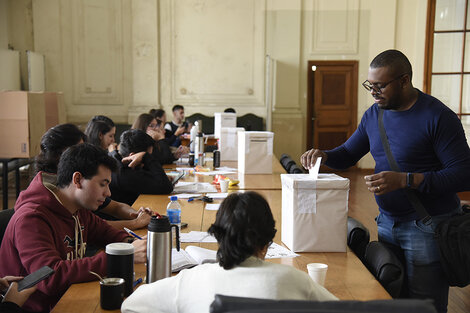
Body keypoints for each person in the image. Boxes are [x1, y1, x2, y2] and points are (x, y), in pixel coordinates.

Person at [300, 49, 470, 313]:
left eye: (380, 85)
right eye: (370, 85)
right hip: (388, 223)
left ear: (404, 80)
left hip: (428, 226)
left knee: (425, 305)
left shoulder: (438, 117)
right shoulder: (373, 115)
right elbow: (347, 154)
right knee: (392, 299)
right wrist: (324, 155)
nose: (373, 92)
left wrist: (406, 180)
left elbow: (462, 174)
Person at [121, 191, 337, 313]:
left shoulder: (188, 281)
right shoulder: (295, 281)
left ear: (219, 236)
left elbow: (130, 305)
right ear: (267, 240)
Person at [0, 143, 147, 312]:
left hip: (69, 295)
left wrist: (131, 242)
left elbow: (104, 232)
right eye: (103, 184)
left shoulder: (77, 207)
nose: (108, 193)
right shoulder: (32, 218)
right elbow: (49, 278)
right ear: (77, 180)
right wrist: (122, 256)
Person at [35, 124, 152, 231]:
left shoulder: (82, 184)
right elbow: (91, 227)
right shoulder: (54, 194)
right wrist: (136, 223)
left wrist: (137, 214)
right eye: (78, 150)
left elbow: (115, 207)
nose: (83, 154)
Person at [109, 129, 174, 205]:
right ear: (132, 156)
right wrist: (146, 157)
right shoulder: (123, 172)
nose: (145, 163)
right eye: (143, 159)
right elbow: (166, 187)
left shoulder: (115, 157)